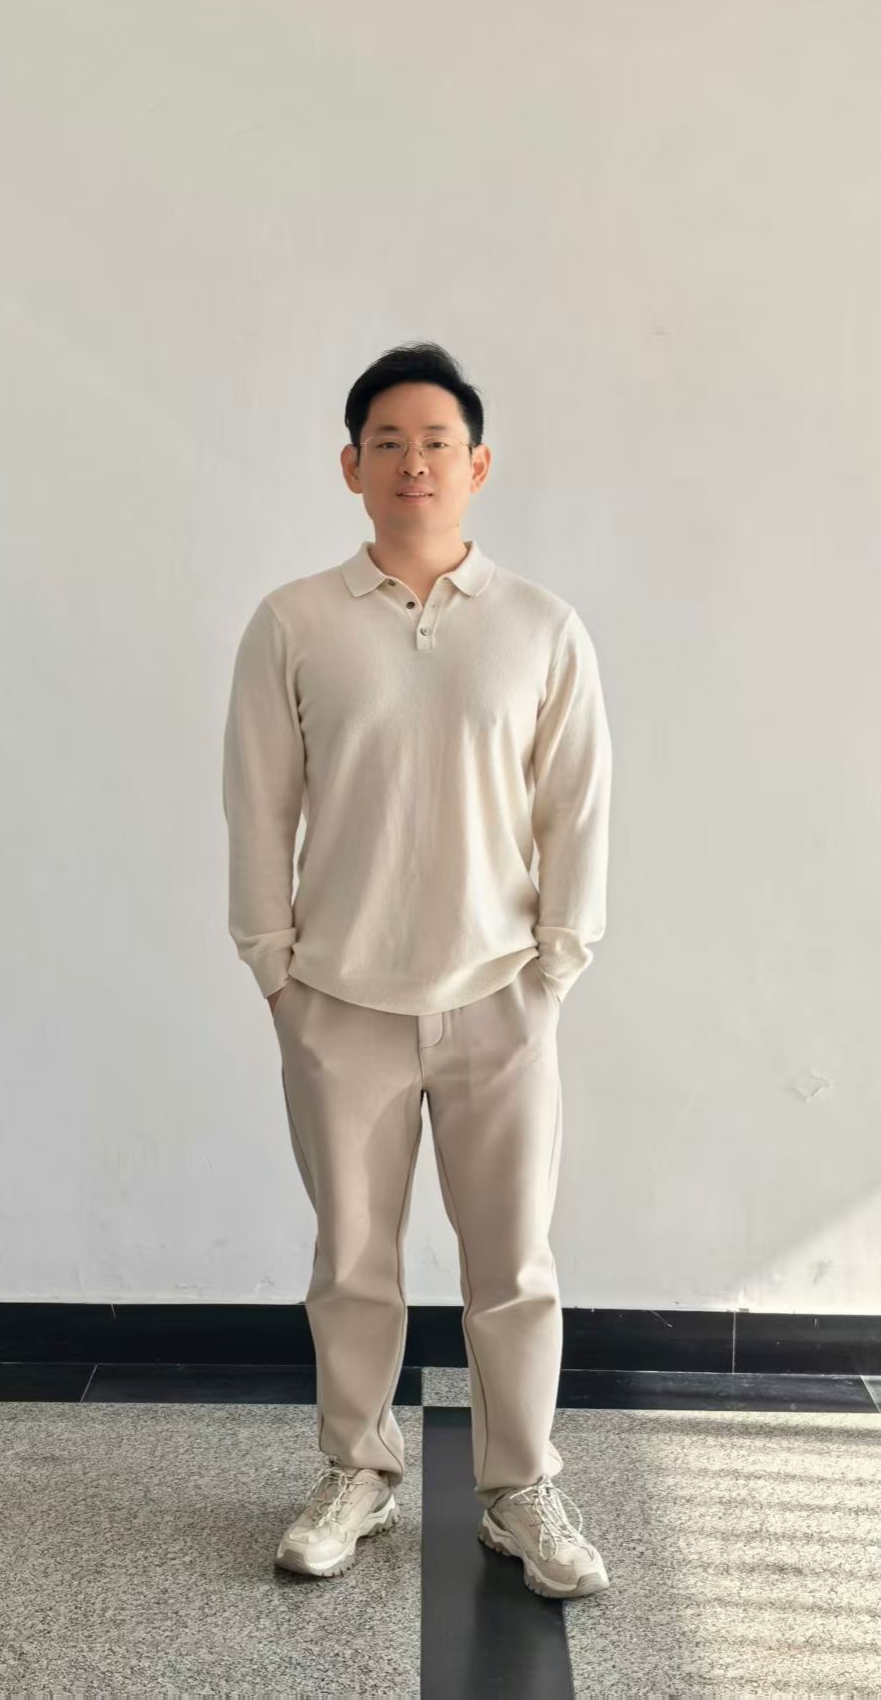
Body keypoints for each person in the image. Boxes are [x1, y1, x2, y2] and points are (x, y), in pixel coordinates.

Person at [221, 341, 613, 1599]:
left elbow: (576, 809)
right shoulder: (295, 621)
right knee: (352, 1260)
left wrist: (554, 966)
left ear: (477, 463)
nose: (413, 462)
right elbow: (258, 802)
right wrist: (275, 970)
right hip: (339, 1000)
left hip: (499, 994)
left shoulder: (540, 626)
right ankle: (357, 1468)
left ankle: (520, 1486)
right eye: (386, 441)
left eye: (437, 441)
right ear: (351, 465)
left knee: (516, 1266)